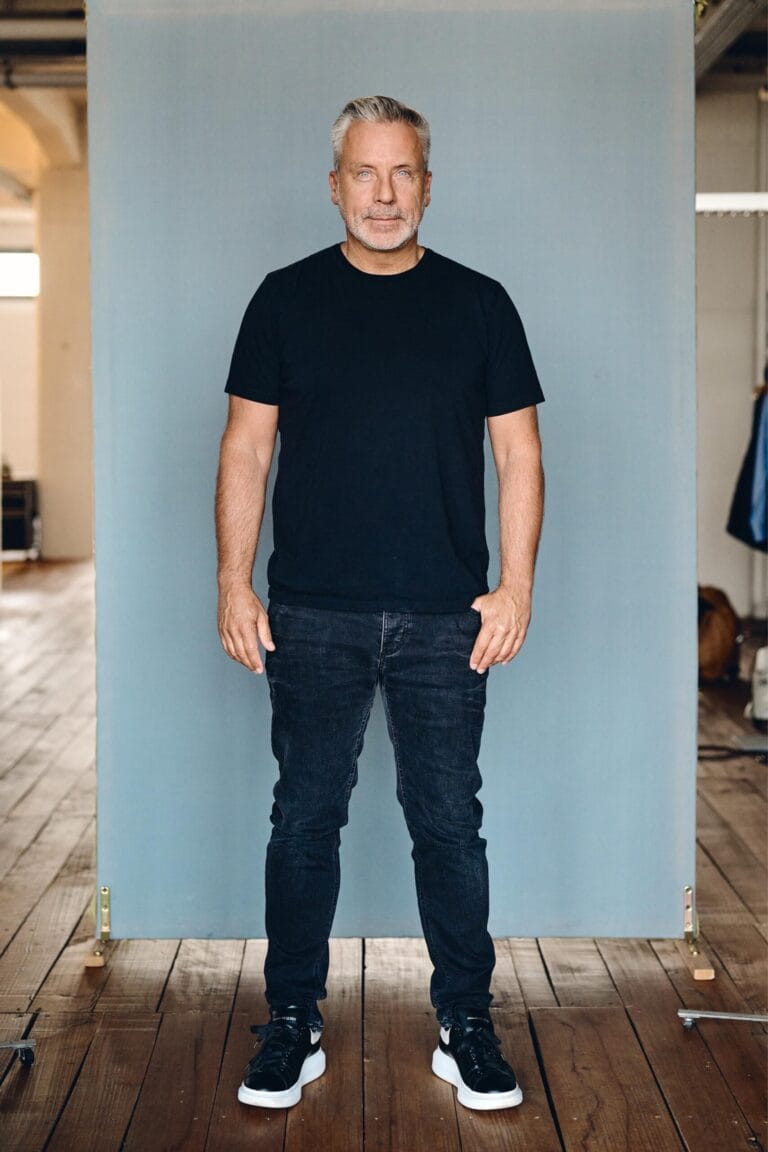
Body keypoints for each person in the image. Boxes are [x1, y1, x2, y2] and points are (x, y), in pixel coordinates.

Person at [215, 95, 544, 1113]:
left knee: (449, 825)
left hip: (448, 616)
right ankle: (291, 1020)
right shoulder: (283, 300)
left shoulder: (481, 304)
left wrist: (516, 585)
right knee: (304, 820)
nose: (385, 194)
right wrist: (232, 579)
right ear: (335, 186)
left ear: (428, 186)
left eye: (403, 173)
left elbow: (519, 454)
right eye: (366, 172)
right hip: (313, 610)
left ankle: (467, 1022)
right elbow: (246, 448)